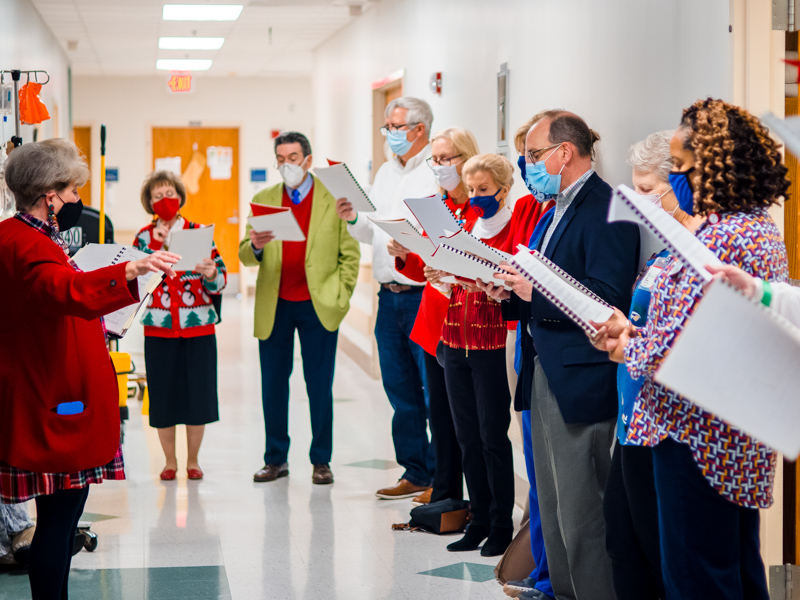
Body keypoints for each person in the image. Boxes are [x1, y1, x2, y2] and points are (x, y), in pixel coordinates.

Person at [592, 99, 789, 600]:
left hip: (699, 433)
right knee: (734, 571)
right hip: (725, 430)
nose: (675, 179)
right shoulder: (752, 225)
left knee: (697, 576)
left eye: (679, 167)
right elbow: (689, 323)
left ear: (716, 164)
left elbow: (689, 341)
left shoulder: (726, 236)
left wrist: (627, 351)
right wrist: (634, 338)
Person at [0, 139, 178, 600]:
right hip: (53, 403)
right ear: (50, 194)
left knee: (58, 526)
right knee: (58, 527)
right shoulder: (31, 246)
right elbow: (66, 292)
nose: (80, 200)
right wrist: (132, 271)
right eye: (74, 190)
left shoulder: (14, 237)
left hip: (39, 390)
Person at [481, 111, 639, 600]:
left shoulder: (607, 207)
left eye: (532, 155)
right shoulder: (554, 209)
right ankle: (563, 592)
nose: (527, 165)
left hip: (580, 374)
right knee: (551, 500)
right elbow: (543, 281)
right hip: (544, 364)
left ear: (563, 152)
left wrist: (534, 295)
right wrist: (506, 289)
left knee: (581, 506)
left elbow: (605, 295)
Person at [601, 130, 702, 600]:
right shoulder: (664, 249)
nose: (638, 202)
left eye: (646, 191)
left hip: (667, 424)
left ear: (677, 184)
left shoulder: (703, 250)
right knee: (624, 540)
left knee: (662, 555)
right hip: (634, 414)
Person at [240, 131, 360, 485]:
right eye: (280, 158)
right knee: (273, 385)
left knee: (319, 386)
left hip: (318, 305)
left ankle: (321, 460)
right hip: (275, 304)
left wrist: (341, 297)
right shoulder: (264, 199)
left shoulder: (333, 198)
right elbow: (244, 252)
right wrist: (257, 247)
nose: (286, 165)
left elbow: (349, 256)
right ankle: (275, 459)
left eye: (292, 158)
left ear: (308, 160)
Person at [336, 97, 438, 499]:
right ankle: (416, 471)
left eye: (396, 128)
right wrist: (353, 219)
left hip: (422, 295)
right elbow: (372, 233)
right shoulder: (384, 173)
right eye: (387, 128)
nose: (390, 136)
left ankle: (443, 477)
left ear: (419, 130)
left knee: (434, 391)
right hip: (388, 295)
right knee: (400, 390)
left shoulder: (435, 173)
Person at [427, 153, 515, 557]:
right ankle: (477, 519)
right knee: (466, 435)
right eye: (473, 189)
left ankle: (500, 523)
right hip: (454, 337)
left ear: (504, 188)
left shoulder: (514, 227)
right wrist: (440, 274)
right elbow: (452, 281)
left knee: (492, 435)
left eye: (485, 190)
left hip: (492, 341)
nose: (478, 196)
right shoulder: (466, 225)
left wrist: (482, 277)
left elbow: (511, 281)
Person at [389, 126, 480, 506]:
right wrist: (406, 253)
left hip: (469, 321)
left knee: (465, 418)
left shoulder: (480, 206)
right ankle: (442, 488)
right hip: (433, 318)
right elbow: (421, 269)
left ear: (467, 159)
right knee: (438, 412)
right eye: (436, 160)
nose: (441, 167)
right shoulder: (433, 204)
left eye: (447, 159)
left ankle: (470, 496)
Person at [135, 171, 227, 482]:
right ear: (149, 202)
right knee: (163, 396)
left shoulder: (200, 232)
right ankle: (169, 462)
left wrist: (212, 272)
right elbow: (134, 284)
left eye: (169, 193)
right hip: (159, 329)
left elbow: (221, 281)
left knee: (198, 396)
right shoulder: (143, 238)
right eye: (157, 196)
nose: (165, 200)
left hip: (198, 327)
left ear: (180, 197)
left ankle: (193, 461)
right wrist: (153, 252)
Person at [499, 114, 557, 600]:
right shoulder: (534, 207)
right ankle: (539, 570)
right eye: (524, 155)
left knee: (555, 476)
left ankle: (548, 574)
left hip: (551, 345)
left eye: (534, 155)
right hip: (526, 334)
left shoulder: (564, 210)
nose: (526, 164)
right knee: (535, 460)